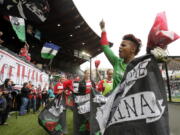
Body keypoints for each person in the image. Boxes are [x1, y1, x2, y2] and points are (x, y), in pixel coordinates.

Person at [99, 20, 142, 89]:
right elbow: (105, 47)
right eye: (120, 45)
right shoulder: (117, 62)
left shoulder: (140, 66)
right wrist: (103, 29)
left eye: (123, 45)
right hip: (115, 99)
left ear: (133, 49)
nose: (120, 47)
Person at [73, 70, 95, 135]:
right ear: (84, 74)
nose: (88, 75)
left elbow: (95, 91)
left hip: (90, 102)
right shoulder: (80, 82)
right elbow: (76, 93)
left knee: (90, 116)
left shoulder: (92, 82)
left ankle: (89, 129)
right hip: (82, 102)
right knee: (83, 116)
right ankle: (83, 130)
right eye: (87, 73)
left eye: (89, 74)